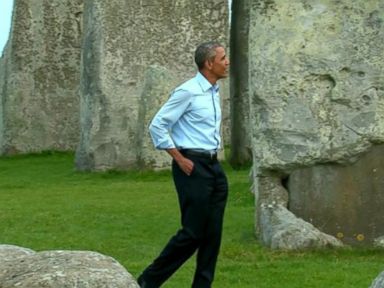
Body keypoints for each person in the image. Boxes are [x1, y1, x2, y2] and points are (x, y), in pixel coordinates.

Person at [137, 41, 230, 288]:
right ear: (209, 64)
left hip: (214, 168)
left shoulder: (213, 91)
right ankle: (148, 281)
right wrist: (179, 158)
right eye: (222, 58)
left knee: (212, 236)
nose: (227, 62)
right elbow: (157, 125)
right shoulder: (187, 91)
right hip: (192, 166)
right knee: (192, 233)